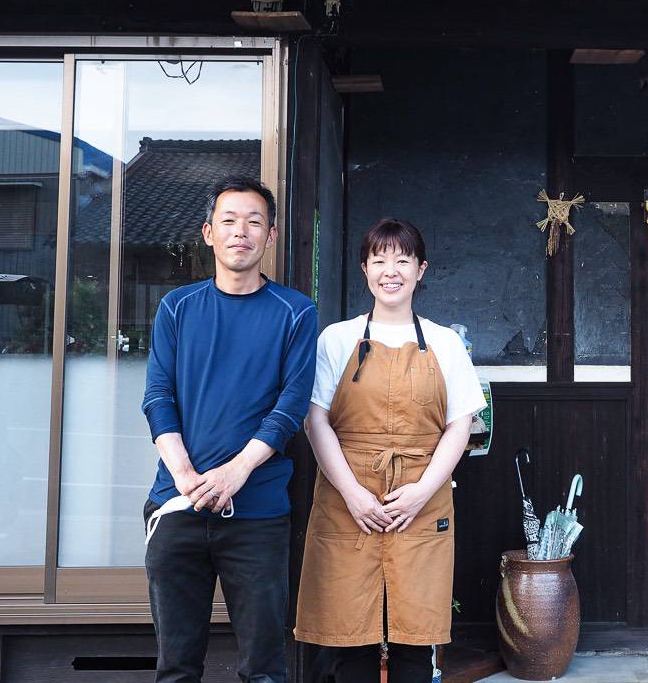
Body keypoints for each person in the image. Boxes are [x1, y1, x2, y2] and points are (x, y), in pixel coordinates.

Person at [142, 176, 318, 683]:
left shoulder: (295, 312)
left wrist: (235, 473)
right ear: (208, 233)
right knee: (176, 667)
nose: (241, 231)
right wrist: (185, 476)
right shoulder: (177, 307)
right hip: (177, 504)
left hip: (258, 511)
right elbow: (158, 397)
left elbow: (290, 408)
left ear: (271, 235)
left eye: (254, 221)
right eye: (229, 220)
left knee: (264, 667)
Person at [295, 218, 485, 683]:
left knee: (415, 642)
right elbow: (315, 419)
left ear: (421, 269)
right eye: (379, 259)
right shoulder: (336, 339)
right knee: (349, 640)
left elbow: (460, 425)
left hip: (422, 500)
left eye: (402, 259)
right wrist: (354, 494)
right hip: (347, 500)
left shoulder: (446, 343)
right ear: (364, 269)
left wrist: (421, 491)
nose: (390, 270)